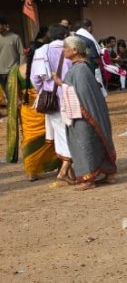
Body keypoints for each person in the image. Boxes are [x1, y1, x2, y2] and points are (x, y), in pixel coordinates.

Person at [59, 35, 117, 189]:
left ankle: (89, 179)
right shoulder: (82, 67)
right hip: (85, 112)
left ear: (75, 50)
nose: (63, 51)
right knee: (95, 140)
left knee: (85, 143)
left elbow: (81, 94)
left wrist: (60, 83)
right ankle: (108, 174)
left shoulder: (80, 69)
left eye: (66, 48)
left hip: (83, 114)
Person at [30, 24, 73, 184]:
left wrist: (44, 91)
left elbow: (35, 79)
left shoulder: (41, 52)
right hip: (72, 96)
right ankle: (65, 172)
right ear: (66, 35)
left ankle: (66, 172)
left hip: (51, 99)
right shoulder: (72, 49)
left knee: (61, 135)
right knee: (74, 132)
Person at [0, 17, 23, 117]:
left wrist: (21, 68)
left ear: (5, 25)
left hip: (12, 70)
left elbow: (22, 53)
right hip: (0, 71)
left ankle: (16, 114)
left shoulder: (15, 37)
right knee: (5, 95)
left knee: (13, 94)